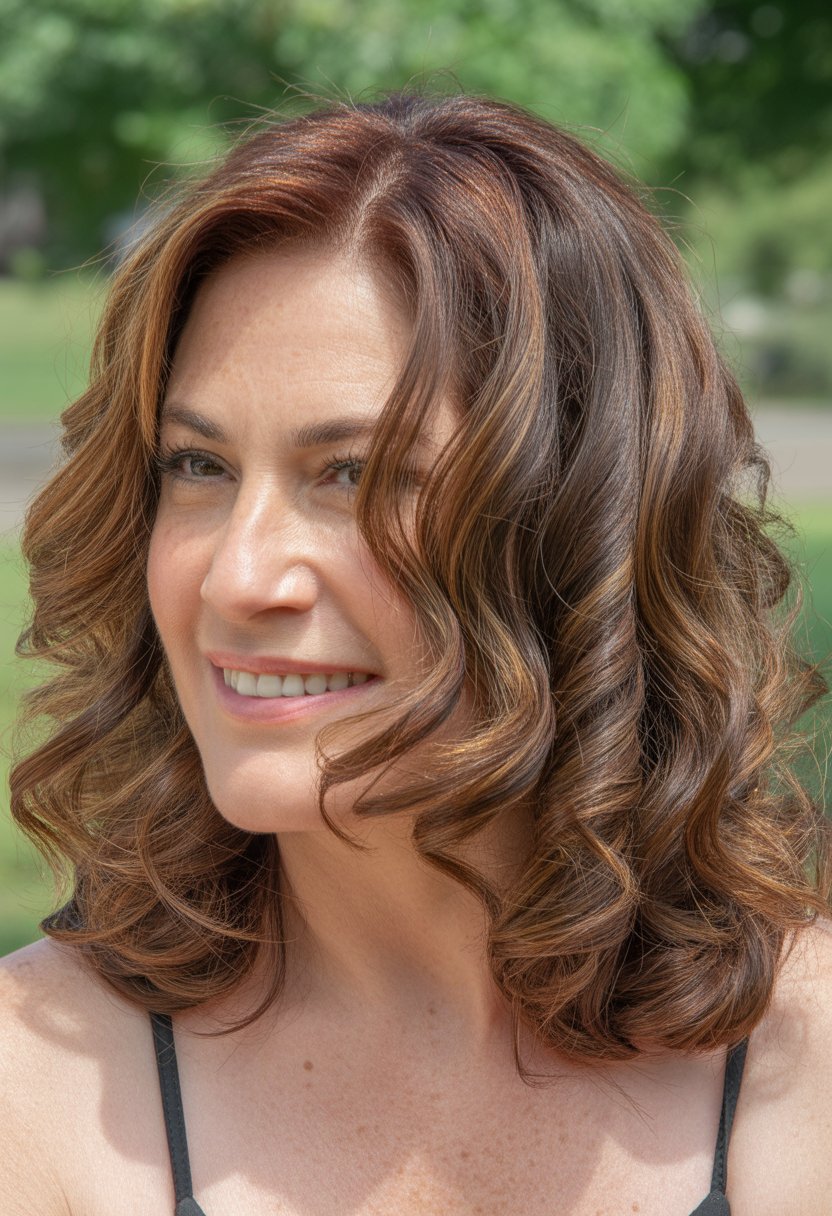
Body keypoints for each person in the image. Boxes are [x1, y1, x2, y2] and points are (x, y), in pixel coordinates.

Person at [2, 91, 832, 1216]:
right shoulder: (35, 1093)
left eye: (350, 474)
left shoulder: (804, 1067)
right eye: (197, 466)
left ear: (580, 527)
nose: (238, 577)